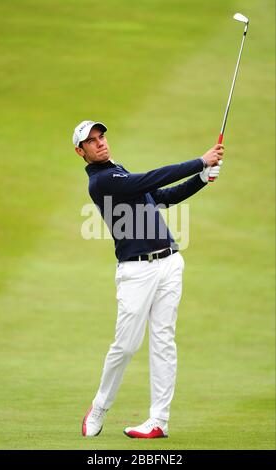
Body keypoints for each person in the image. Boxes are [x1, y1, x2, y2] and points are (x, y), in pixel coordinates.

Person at [73, 120, 224, 438]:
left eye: (101, 137)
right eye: (91, 141)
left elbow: (162, 197)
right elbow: (151, 179)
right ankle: (100, 406)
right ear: (80, 151)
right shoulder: (102, 181)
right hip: (136, 271)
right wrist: (200, 161)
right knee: (126, 346)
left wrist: (201, 178)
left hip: (169, 263)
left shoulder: (119, 171)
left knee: (163, 342)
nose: (100, 142)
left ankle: (158, 420)